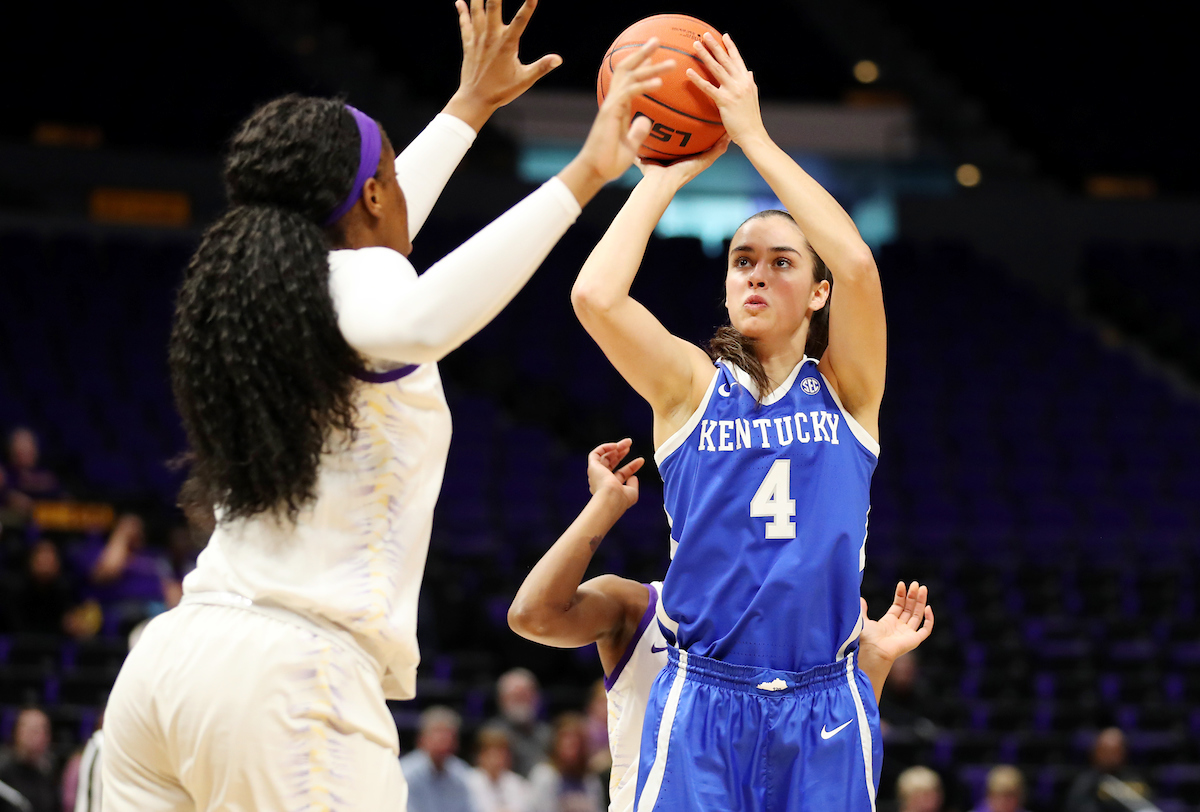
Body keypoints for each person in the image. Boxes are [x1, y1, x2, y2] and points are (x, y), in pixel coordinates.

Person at [99, 1, 675, 807]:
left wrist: (469, 107)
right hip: (288, 681)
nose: (406, 191)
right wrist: (583, 175)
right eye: (394, 178)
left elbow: (379, 237)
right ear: (372, 194)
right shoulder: (358, 290)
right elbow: (420, 317)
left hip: (171, 668)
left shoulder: (282, 292)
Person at [570, 30, 887, 812]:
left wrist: (754, 139)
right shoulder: (689, 389)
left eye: (782, 262)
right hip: (704, 695)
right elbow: (596, 297)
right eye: (743, 260)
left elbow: (856, 263)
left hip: (824, 699)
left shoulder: (847, 391)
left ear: (817, 295)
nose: (756, 274)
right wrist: (662, 176)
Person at [509, 440, 934, 812]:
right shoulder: (638, 608)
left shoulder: (807, 623)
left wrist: (873, 661)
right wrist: (606, 503)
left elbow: (826, 752)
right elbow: (532, 616)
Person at [401, 707, 478, 812]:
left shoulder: (461, 773)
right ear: (422, 739)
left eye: (448, 735)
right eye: (438, 734)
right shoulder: (406, 773)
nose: (444, 741)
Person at [1065, 728, 1156, 812]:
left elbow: (1148, 806)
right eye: (1105, 751)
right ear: (1095, 752)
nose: (1110, 757)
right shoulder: (1085, 782)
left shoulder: (1135, 779)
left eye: (1115, 751)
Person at [527, 714, 604, 812]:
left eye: (576, 744)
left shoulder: (590, 780)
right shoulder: (544, 775)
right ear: (556, 744)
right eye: (567, 744)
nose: (572, 750)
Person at [491, 668, 552, 778]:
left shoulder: (548, 734)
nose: (521, 701)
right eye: (515, 696)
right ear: (501, 699)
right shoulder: (492, 734)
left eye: (525, 696)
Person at [0, 708, 56, 812]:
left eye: (44, 731)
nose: (40, 737)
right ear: (16, 733)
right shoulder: (3, 777)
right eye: (33, 730)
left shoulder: (49, 777)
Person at [466, 724, 531, 812]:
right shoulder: (469, 781)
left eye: (503, 753)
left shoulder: (516, 782)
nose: (500, 758)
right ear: (481, 755)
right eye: (494, 753)